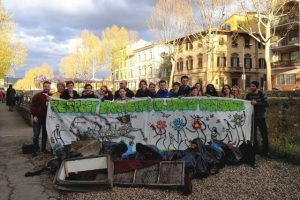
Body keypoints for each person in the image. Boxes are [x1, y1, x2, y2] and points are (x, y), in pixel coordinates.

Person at [245, 81, 269, 156]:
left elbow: (266, 104)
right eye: (251, 86)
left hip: (261, 117)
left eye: (253, 86)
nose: (251, 87)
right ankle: (256, 150)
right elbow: (245, 104)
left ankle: (266, 150)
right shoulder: (248, 95)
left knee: (264, 134)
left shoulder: (262, 94)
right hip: (252, 118)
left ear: (256, 87)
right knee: (253, 135)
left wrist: (257, 104)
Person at [30, 81, 52, 156]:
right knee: (36, 135)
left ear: (50, 87)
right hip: (38, 118)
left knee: (45, 134)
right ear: (43, 87)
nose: (47, 88)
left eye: (48, 86)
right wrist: (34, 115)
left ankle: (43, 149)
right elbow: (33, 106)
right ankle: (36, 149)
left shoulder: (52, 96)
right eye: (45, 86)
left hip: (47, 119)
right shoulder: (38, 95)